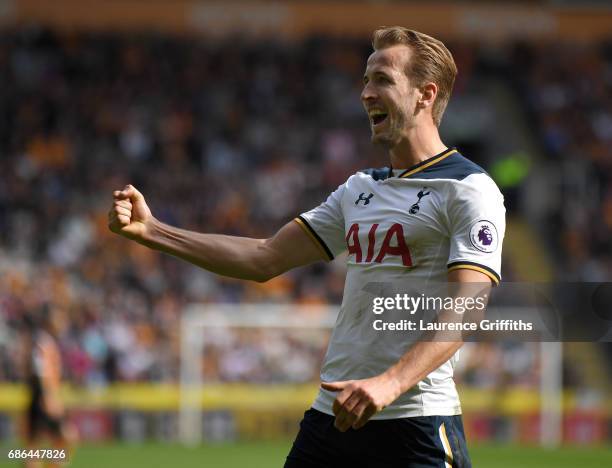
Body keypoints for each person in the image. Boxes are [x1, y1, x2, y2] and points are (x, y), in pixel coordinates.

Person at [108, 26, 505, 467]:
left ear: (425, 94)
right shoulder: (359, 189)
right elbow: (264, 257)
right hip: (333, 416)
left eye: (383, 80)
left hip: (416, 422)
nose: (366, 94)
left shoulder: (468, 188)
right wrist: (155, 231)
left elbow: (467, 310)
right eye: (365, 81)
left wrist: (388, 384)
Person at [23, 308, 77, 468]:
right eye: (59, 319)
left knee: (34, 447)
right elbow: (39, 372)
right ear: (50, 322)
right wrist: (48, 398)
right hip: (44, 398)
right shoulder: (43, 343)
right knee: (67, 437)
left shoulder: (44, 341)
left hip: (42, 397)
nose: (63, 323)